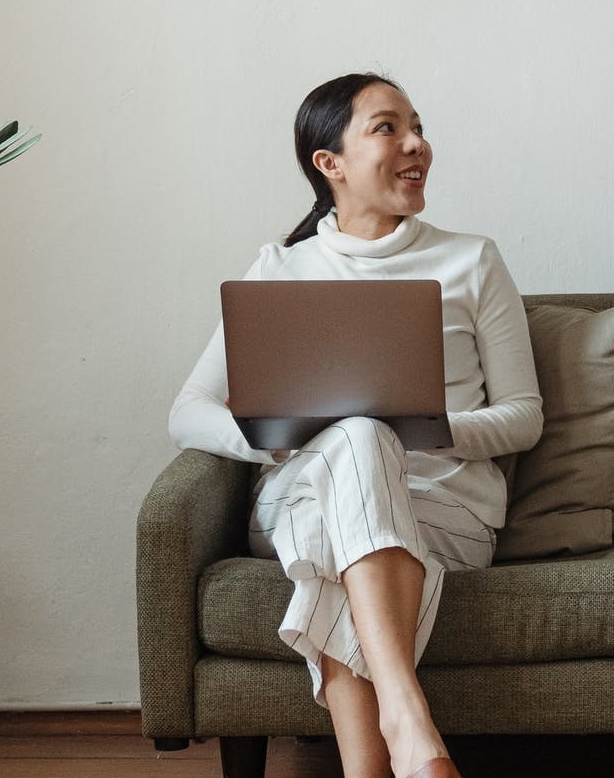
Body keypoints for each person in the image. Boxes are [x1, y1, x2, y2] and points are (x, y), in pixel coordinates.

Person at [170, 73, 542, 778]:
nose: (416, 144)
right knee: (356, 440)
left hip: (444, 506)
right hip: (302, 494)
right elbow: (186, 410)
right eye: (388, 128)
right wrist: (273, 435)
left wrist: (423, 427)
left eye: (418, 127)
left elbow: (524, 418)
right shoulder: (280, 270)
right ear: (330, 163)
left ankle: (385, 756)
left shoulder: (472, 260)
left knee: (364, 450)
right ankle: (408, 720)